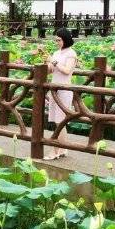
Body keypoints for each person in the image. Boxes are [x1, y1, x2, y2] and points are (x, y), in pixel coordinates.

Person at [44, 28, 77, 160]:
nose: (57, 42)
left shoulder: (71, 54)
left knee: (60, 121)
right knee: (58, 122)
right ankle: (63, 149)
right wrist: (48, 63)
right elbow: (51, 71)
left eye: (59, 40)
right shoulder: (56, 53)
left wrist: (54, 62)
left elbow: (67, 71)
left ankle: (55, 151)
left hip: (64, 89)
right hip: (54, 88)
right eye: (56, 40)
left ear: (66, 39)